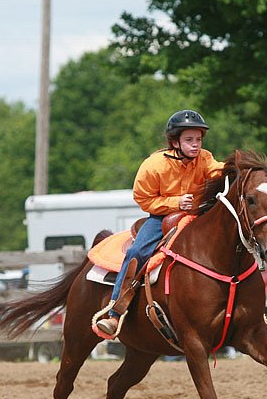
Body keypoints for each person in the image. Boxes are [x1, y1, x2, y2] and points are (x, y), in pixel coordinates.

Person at [95, 110, 224, 336]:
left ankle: (255, 318)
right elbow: (143, 198)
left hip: (198, 215)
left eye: (198, 139)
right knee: (137, 251)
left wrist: (241, 167)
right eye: (189, 140)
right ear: (175, 141)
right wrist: (175, 203)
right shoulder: (154, 165)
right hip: (161, 218)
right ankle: (115, 313)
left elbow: (219, 170)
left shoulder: (205, 158)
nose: (196, 145)